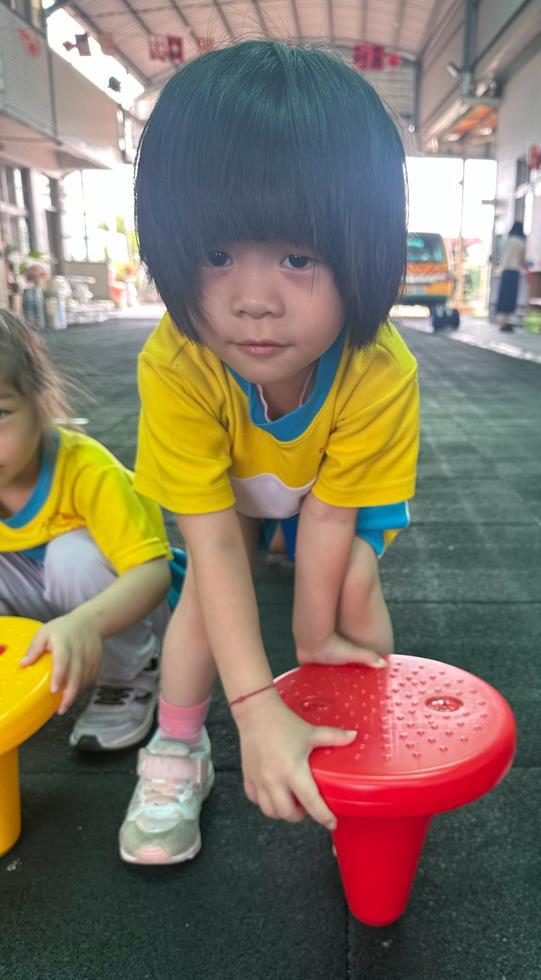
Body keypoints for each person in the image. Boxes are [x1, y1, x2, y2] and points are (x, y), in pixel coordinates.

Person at [118, 40, 419, 865]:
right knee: (205, 599)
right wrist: (252, 711)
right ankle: (177, 748)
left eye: (297, 257)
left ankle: (361, 741)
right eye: (217, 255)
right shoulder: (177, 362)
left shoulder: (378, 369)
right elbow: (216, 540)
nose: (253, 301)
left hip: (324, 490)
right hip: (235, 493)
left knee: (350, 582)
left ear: (361, 250)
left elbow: (330, 513)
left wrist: (311, 635)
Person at [0, 309, 178, 751]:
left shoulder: (87, 471)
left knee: (72, 556)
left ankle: (131, 676)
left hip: (129, 607)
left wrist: (85, 622)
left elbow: (152, 574)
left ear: (40, 401)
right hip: (51, 610)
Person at [495, 222, 527, 331]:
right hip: (514, 272)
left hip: (504, 271)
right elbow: (521, 260)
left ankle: (502, 323)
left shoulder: (506, 241)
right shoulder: (520, 243)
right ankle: (505, 323)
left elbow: (500, 256)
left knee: (503, 297)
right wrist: (527, 266)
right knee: (510, 298)